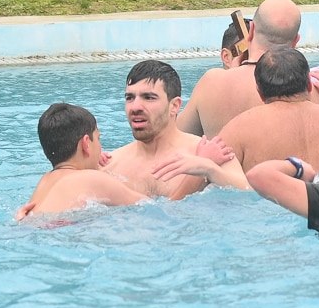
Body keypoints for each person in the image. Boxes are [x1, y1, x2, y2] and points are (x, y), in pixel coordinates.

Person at [103, 59, 248, 199]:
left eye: (149, 97)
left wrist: (210, 170)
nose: (135, 107)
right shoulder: (109, 165)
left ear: (174, 106)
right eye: (130, 98)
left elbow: (248, 195)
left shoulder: (214, 155)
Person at [179, 0, 303, 136]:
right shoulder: (308, 88)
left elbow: (174, 137)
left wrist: (230, 79)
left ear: (251, 30)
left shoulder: (212, 83)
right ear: (296, 41)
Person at [16, 102, 146, 217]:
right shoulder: (93, 179)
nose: (100, 147)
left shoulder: (45, 180)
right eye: (98, 139)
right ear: (86, 143)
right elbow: (146, 204)